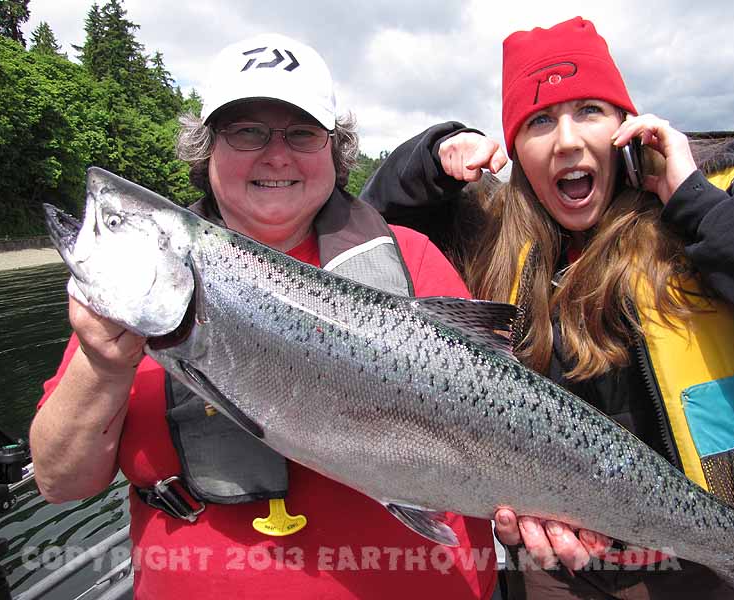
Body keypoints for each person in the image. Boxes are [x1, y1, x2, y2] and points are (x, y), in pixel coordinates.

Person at [29, 33, 499, 599]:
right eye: (246, 131)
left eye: (301, 133)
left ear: (335, 150)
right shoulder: (144, 284)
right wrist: (103, 368)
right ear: (206, 151)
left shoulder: (414, 259)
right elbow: (61, 482)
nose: (276, 155)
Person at [360, 16, 734, 600]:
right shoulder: (491, 242)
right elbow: (369, 248)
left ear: (627, 128)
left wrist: (696, 203)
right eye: (538, 121)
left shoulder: (712, 213)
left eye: (589, 111)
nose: (566, 141)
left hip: (717, 557)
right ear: (515, 150)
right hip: (556, 569)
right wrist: (430, 158)